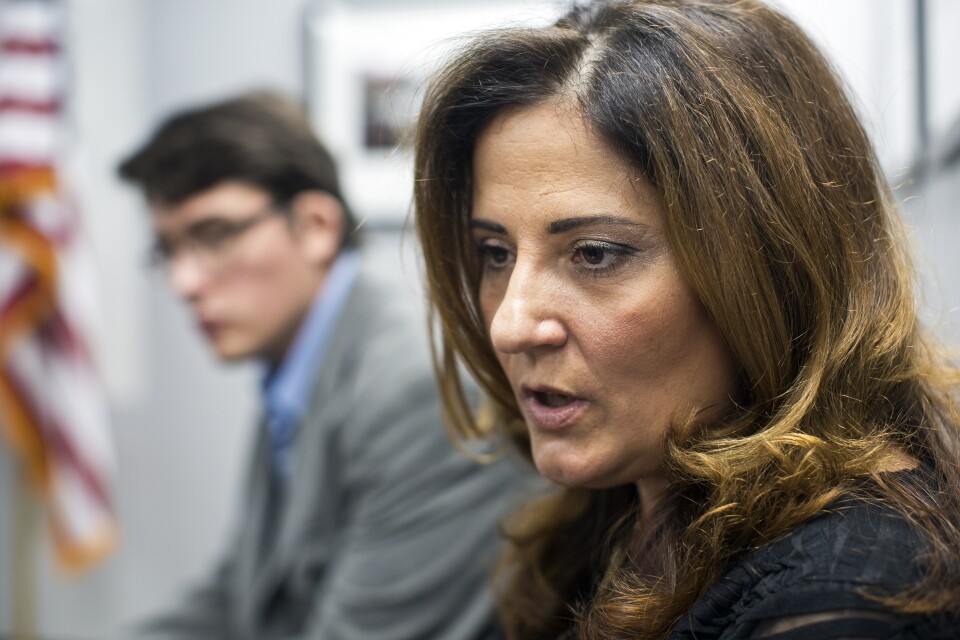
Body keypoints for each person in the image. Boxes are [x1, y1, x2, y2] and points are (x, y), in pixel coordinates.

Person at [413, 1, 960, 638]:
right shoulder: (610, 517)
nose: (510, 326)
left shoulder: (844, 600)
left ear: (772, 267)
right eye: (496, 254)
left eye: (595, 254)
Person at [119, 91, 522, 640]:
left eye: (213, 235)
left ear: (315, 226)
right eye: (167, 251)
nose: (183, 282)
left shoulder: (412, 388)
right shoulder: (300, 364)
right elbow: (244, 591)